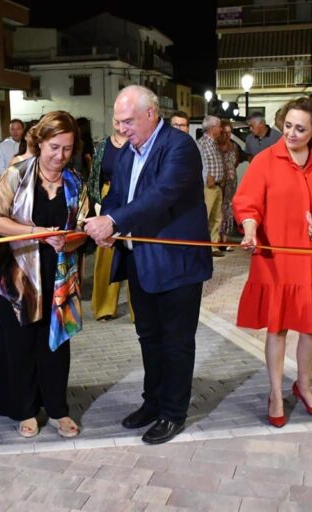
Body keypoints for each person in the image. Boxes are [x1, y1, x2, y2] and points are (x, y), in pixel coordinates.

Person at [84, 85, 212, 445]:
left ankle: (173, 413)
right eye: (118, 122)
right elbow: (117, 197)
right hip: (142, 261)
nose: (122, 129)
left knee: (176, 342)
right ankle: (152, 402)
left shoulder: (179, 146)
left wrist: (115, 222)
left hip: (178, 265)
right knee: (149, 338)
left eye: (128, 121)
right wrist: (105, 220)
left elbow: (162, 195)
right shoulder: (128, 152)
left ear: (151, 114)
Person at [234, 97, 312, 428]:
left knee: (310, 327)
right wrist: (250, 229)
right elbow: (247, 204)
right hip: (273, 256)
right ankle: (275, 392)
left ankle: (304, 385)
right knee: (277, 326)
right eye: (287, 126)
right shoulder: (264, 160)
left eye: (301, 129)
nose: (291, 133)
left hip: (310, 258)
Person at [0, 110, 89, 439]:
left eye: (68, 149)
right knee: (21, 345)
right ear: (40, 142)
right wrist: (36, 233)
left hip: (59, 278)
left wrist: (75, 237)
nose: (61, 156)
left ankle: (58, 408)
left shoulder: (75, 183)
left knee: (56, 345)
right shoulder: (18, 174)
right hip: (18, 277)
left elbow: (83, 229)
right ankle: (25, 409)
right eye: (54, 147)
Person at [88, 120, 133, 321]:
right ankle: (104, 307)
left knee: (135, 253)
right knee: (106, 255)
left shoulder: (136, 142)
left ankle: (138, 309)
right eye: (116, 119)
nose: (120, 123)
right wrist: (97, 205)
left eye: (125, 120)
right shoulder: (103, 146)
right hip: (108, 197)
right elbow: (94, 178)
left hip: (132, 197)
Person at [197, 115, 225, 256]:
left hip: (218, 186)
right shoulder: (201, 143)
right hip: (208, 187)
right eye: (219, 126)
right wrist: (207, 177)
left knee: (217, 217)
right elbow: (200, 163)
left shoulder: (214, 143)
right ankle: (202, 246)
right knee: (205, 217)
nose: (221, 129)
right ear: (213, 128)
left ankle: (213, 246)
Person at [218, 119, 241, 247]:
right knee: (218, 210)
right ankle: (216, 238)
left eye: (229, 132)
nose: (227, 135)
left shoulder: (234, 146)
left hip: (231, 182)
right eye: (224, 132)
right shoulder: (216, 146)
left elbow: (236, 162)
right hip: (219, 182)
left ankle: (225, 240)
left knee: (228, 209)